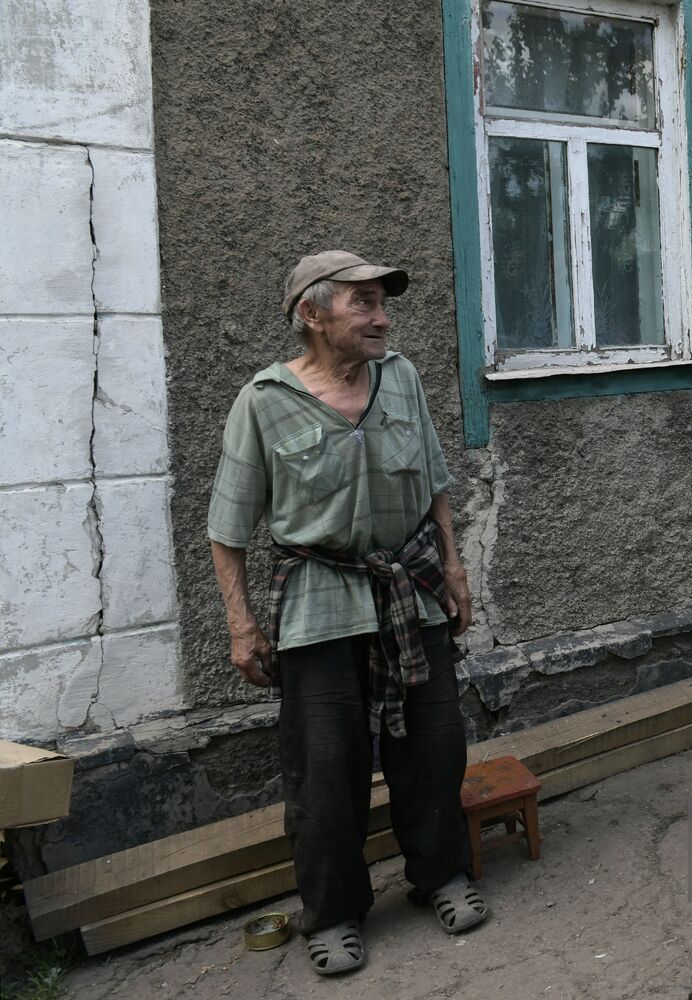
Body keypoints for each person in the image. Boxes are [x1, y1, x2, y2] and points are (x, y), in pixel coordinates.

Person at [208, 251, 487, 976]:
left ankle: (442, 875)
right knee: (325, 768)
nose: (381, 317)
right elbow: (227, 528)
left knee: (433, 747)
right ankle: (332, 913)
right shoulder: (264, 402)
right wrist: (242, 625)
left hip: (411, 583)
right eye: (362, 303)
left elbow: (434, 480)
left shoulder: (401, 378)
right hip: (320, 599)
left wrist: (453, 568)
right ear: (313, 314)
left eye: (381, 303)